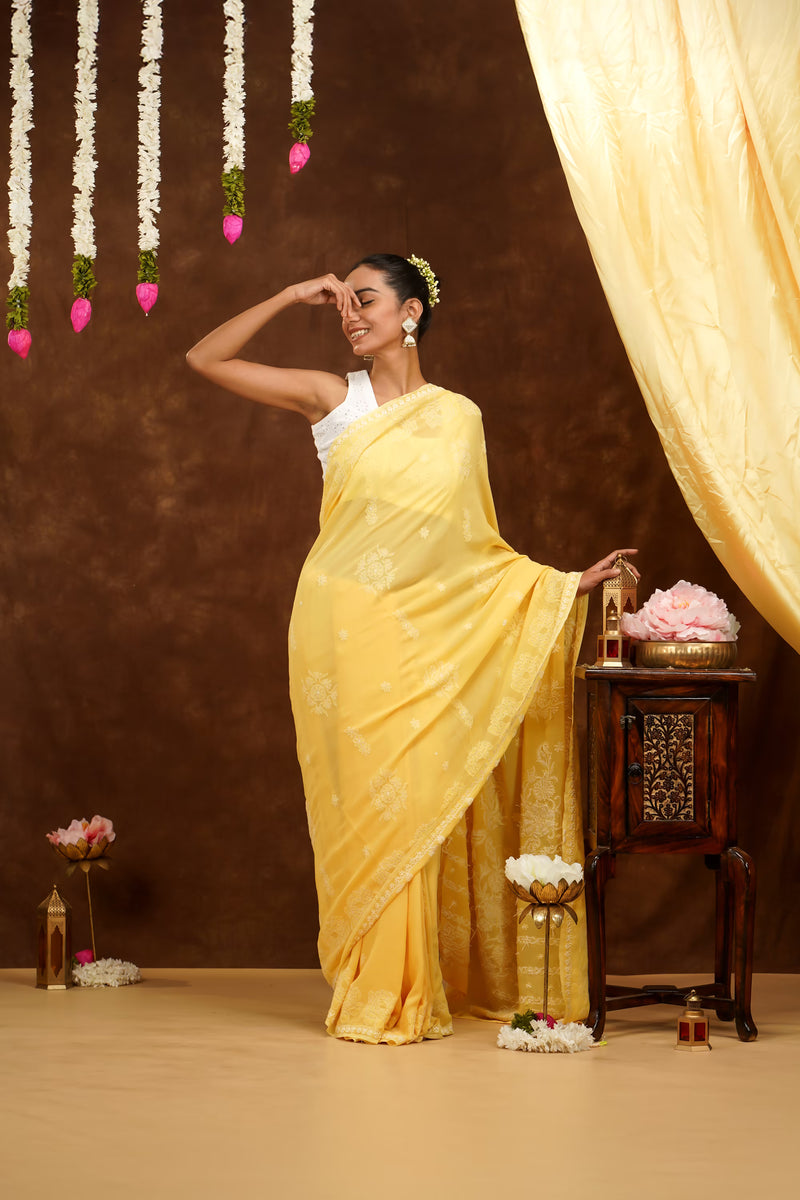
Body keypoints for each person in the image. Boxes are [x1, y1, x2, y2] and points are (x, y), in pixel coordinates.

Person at [187, 253, 637, 1044]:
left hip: (425, 639)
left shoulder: (459, 416)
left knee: (418, 800)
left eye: (366, 301)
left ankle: (412, 983)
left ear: (412, 313)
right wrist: (291, 292)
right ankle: (373, 983)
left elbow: (474, 550)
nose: (350, 315)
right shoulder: (334, 398)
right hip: (342, 634)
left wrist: (563, 583)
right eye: (343, 306)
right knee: (367, 806)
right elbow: (205, 358)